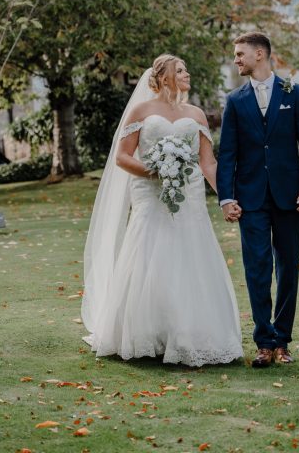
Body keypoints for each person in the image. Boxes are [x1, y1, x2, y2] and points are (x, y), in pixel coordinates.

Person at [81, 54, 243, 367]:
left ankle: (189, 334)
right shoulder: (141, 111)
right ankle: (146, 333)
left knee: (190, 259)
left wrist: (226, 197)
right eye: (180, 70)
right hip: (150, 194)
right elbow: (122, 157)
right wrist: (155, 172)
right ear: (163, 76)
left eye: (186, 69)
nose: (187, 74)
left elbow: (208, 162)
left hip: (189, 198)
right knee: (148, 257)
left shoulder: (196, 114)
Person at [217, 32, 299, 368]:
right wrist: (226, 197)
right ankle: (264, 341)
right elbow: (227, 153)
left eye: (240, 54)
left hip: (290, 196)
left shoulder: (295, 93)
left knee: (288, 269)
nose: (236, 59)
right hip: (251, 199)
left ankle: (282, 341)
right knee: (257, 269)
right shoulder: (235, 100)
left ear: (259, 54)